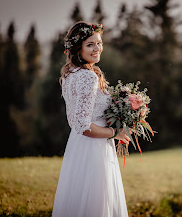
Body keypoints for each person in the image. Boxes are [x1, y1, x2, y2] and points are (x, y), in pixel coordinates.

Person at [52, 21, 129, 217]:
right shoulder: (88, 77)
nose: (97, 49)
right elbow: (83, 125)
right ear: (78, 48)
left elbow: (78, 122)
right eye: (90, 44)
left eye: (99, 43)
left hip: (78, 146)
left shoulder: (70, 74)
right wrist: (116, 132)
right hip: (94, 149)